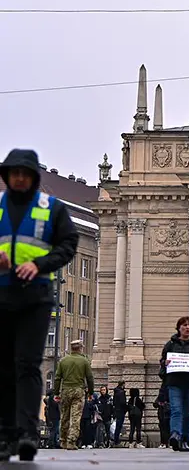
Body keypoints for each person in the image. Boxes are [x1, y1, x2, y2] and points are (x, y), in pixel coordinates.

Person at [0, 149, 79, 462]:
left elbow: (68, 244)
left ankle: (28, 434)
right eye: (14, 173)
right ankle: (6, 435)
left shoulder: (50, 208)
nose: (19, 178)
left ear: (33, 177)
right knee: (4, 368)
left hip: (35, 296)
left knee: (29, 366)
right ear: (7, 176)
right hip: (2, 295)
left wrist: (41, 264)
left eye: (25, 173)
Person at [159, 316, 189, 452]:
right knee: (176, 410)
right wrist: (165, 362)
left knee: (188, 413)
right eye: (184, 325)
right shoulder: (171, 344)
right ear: (179, 328)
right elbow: (163, 360)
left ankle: (185, 440)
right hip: (174, 382)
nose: (187, 327)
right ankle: (175, 434)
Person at [53, 339, 94, 451]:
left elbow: (57, 378)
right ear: (80, 348)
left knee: (64, 416)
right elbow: (90, 378)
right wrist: (90, 392)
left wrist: (56, 393)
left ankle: (63, 440)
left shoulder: (63, 361)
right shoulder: (84, 361)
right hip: (78, 390)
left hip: (65, 390)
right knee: (75, 417)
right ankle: (71, 441)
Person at [112, 381, 127, 447]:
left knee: (117, 426)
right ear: (123, 384)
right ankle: (116, 441)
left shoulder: (116, 392)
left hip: (116, 410)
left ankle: (115, 440)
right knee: (119, 426)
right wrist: (126, 409)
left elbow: (114, 402)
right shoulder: (121, 392)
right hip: (121, 411)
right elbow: (123, 402)